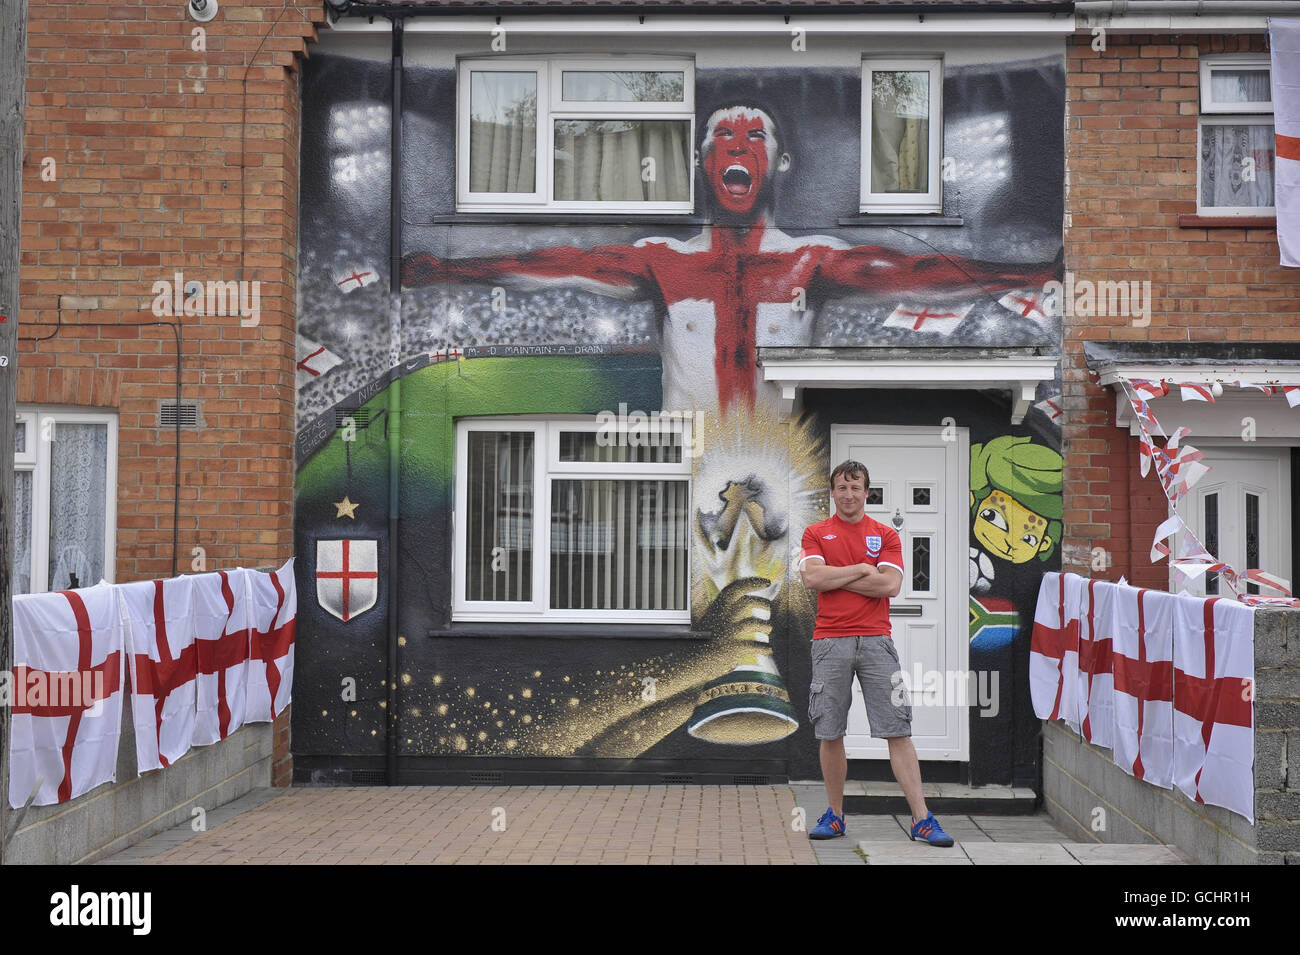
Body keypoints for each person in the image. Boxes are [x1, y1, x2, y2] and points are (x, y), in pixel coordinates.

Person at [798, 459, 954, 846]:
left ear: (867, 493)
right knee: (831, 731)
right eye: (842, 488)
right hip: (829, 641)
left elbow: (891, 587)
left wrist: (843, 577)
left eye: (856, 488)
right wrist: (862, 569)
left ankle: (921, 819)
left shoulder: (885, 535)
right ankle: (835, 816)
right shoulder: (815, 533)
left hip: (876, 641)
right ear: (832, 493)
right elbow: (812, 578)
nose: (849, 495)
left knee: (897, 729)